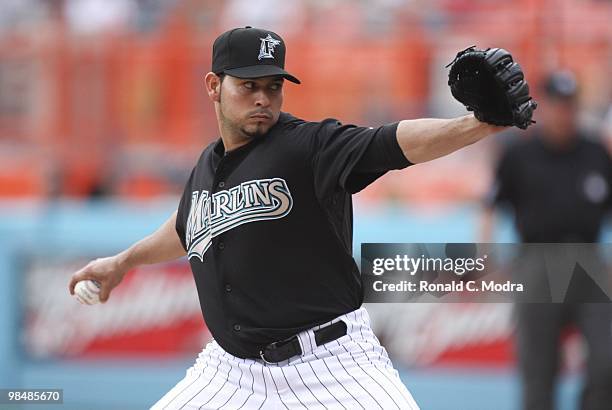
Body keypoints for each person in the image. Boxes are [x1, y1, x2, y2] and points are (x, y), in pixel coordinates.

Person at [69, 26, 510, 409]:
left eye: (273, 86)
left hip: (332, 366)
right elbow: (189, 227)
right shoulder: (208, 164)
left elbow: (392, 143)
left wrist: (475, 126)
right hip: (230, 373)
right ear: (213, 85)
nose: (263, 98)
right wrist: (121, 262)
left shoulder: (310, 146)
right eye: (248, 85)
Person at [480, 71, 612, 410]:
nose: (564, 113)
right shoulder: (519, 155)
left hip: (590, 262)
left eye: (570, 105)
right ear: (544, 108)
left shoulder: (596, 153)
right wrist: (488, 260)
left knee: (606, 364)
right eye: (557, 105)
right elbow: (489, 207)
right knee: (538, 373)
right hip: (536, 263)